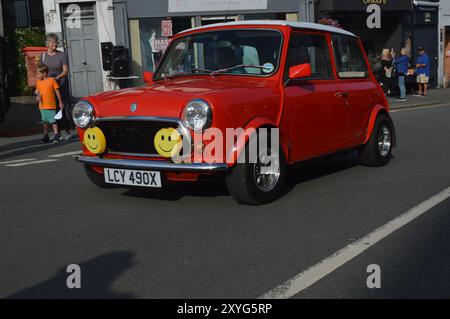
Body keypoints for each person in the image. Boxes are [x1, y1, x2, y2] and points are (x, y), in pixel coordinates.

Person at [40, 33, 73, 140]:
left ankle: (67, 130)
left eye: (56, 42)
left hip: (61, 85)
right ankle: (56, 132)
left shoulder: (61, 55)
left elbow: (65, 71)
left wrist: (57, 77)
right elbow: (40, 71)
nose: (55, 44)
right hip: (48, 87)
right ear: (47, 43)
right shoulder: (43, 55)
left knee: (62, 107)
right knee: (51, 108)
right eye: (53, 42)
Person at [35, 65, 64, 143]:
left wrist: (60, 102)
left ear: (44, 73)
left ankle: (57, 135)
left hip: (50, 105)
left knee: (53, 121)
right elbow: (37, 91)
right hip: (42, 106)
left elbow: (57, 91)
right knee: (45, 122)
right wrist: (37, 96)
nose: (37, 75)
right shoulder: (38, 82)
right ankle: (46, 136)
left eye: (38, 73)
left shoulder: (51, 80)